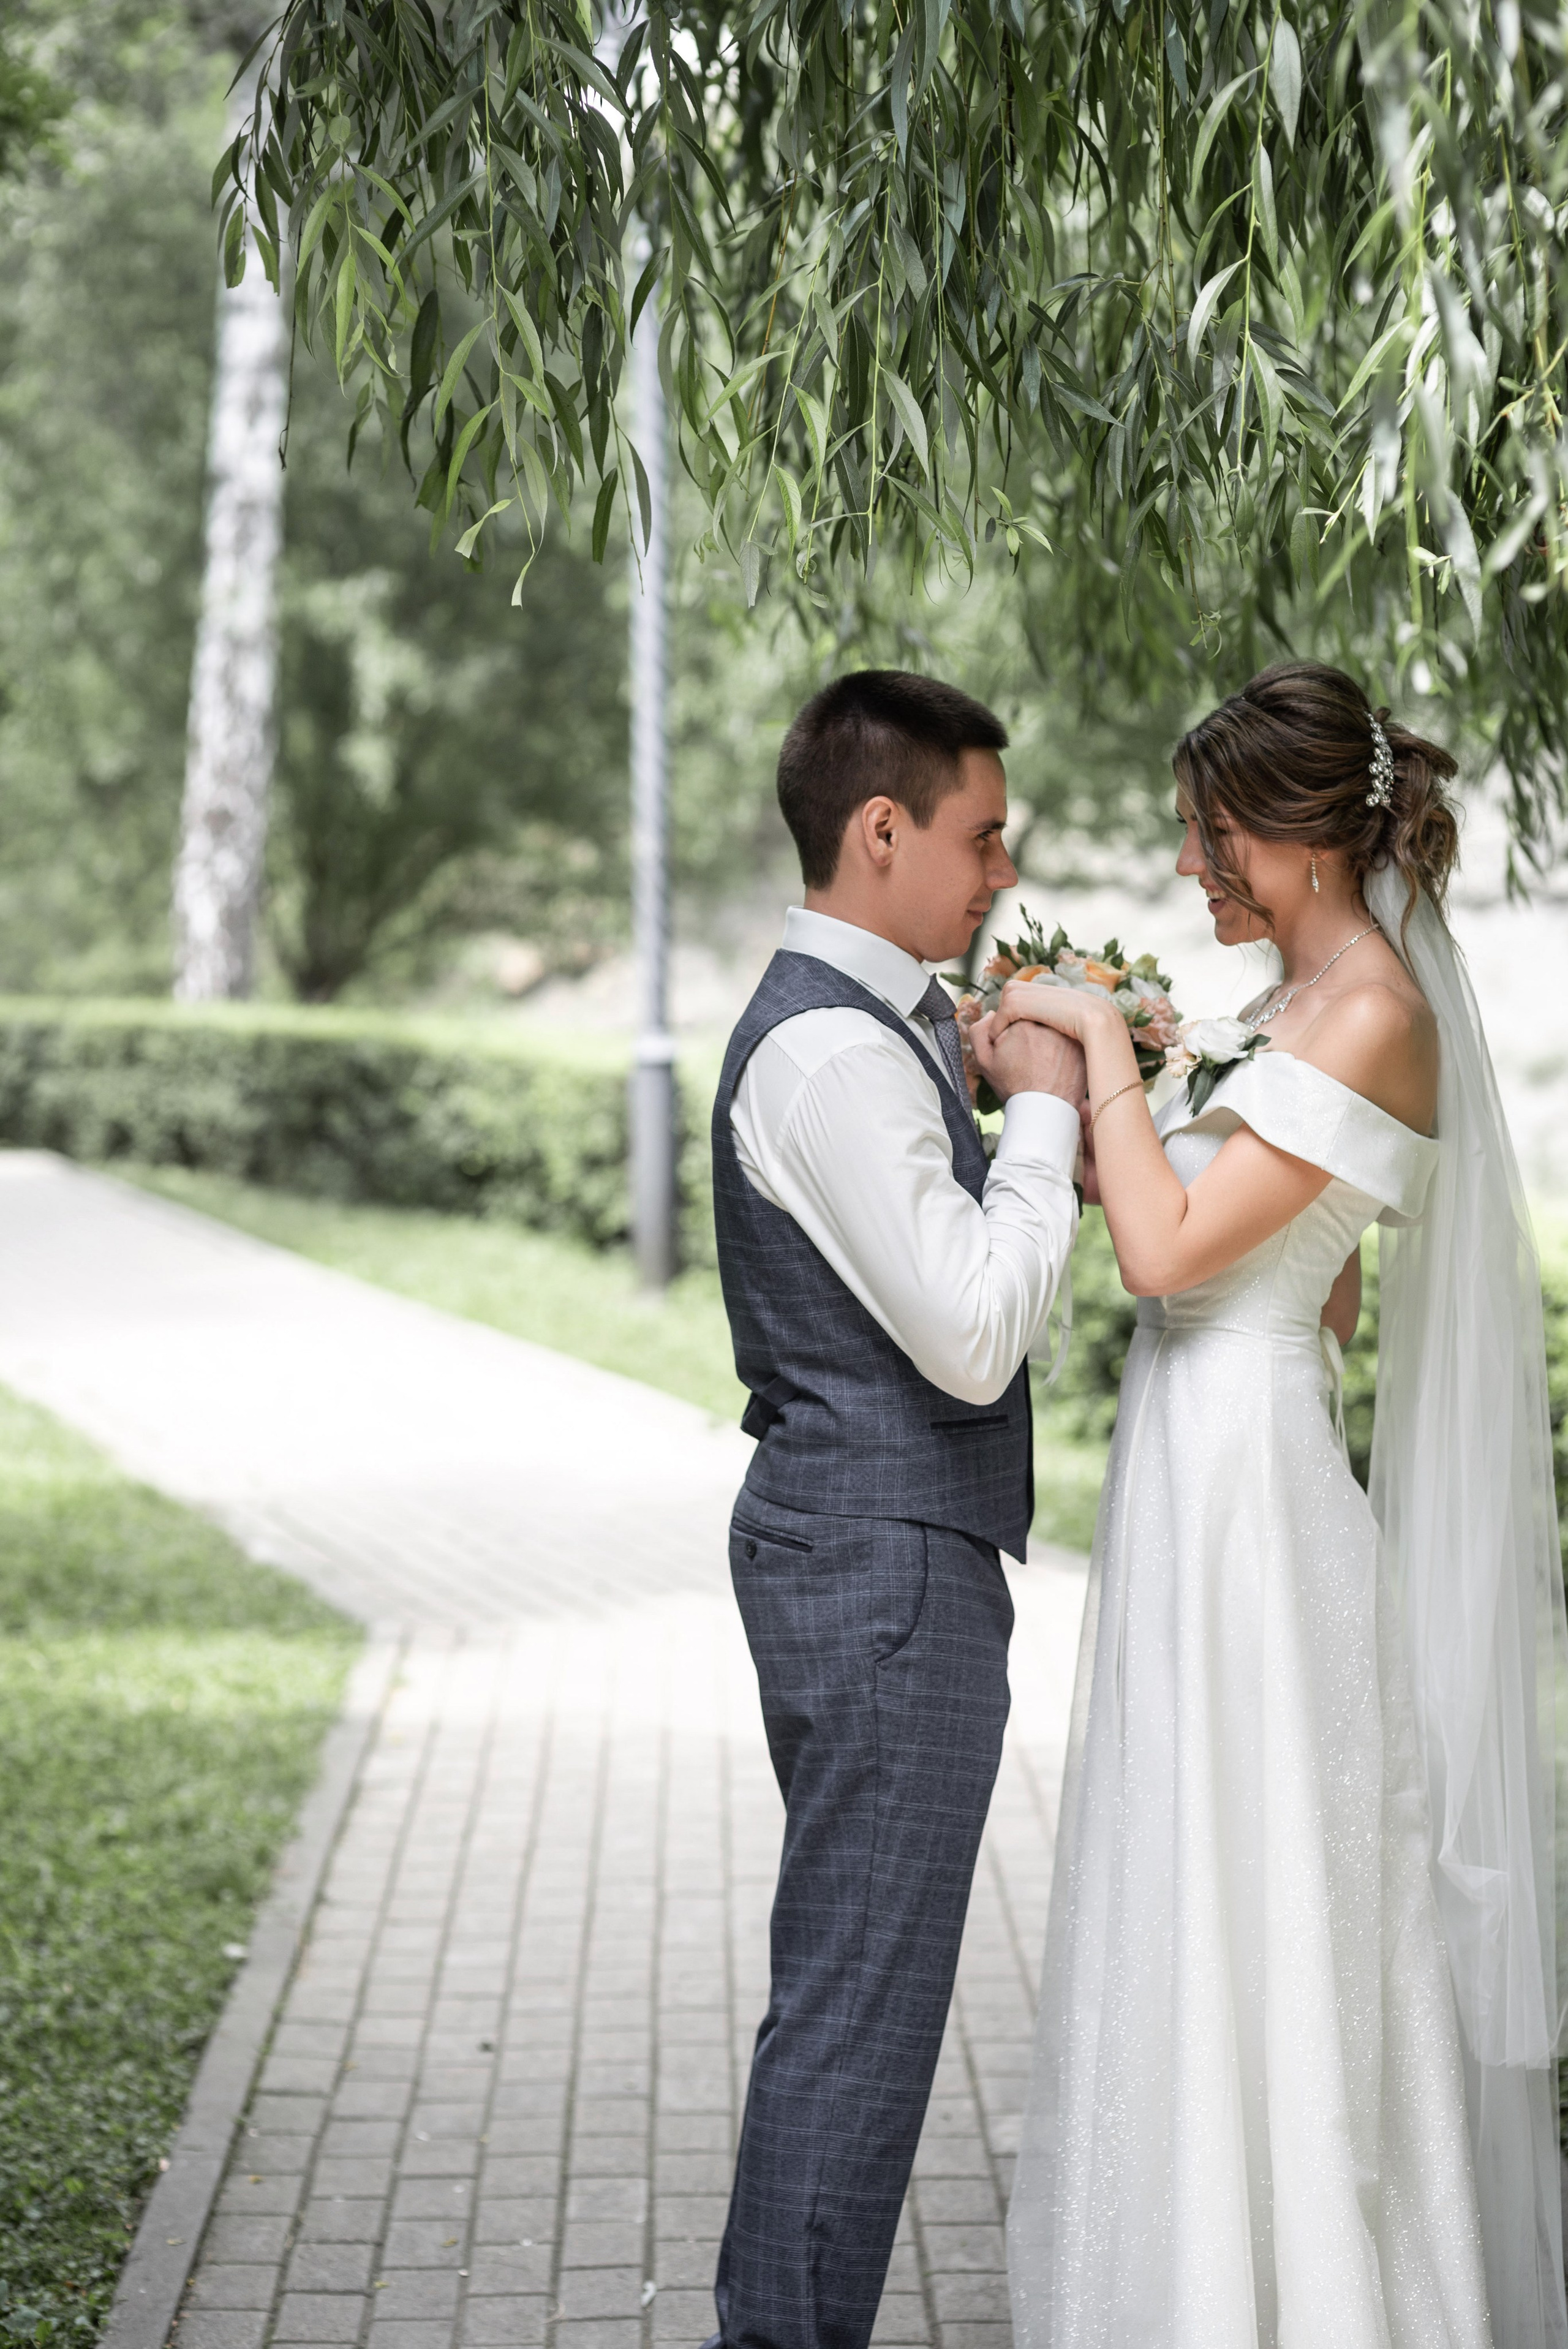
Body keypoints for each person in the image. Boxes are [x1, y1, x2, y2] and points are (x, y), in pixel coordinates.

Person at [991, 660, 1568, 2349]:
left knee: (1278, 1895)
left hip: (1252, 1499)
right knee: (1192, 1879)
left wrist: (1096, 1039)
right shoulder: (1289, 1011)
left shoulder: (1373, 1007)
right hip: (1209, 1463)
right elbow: (1324, 1298)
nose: (1190, 868)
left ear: (1300, 839)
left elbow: (1166, 1251)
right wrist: (1170, 1088)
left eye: (1208, 833)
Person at [706, 669, 1088, 2349]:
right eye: (981, 836)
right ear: (882, 830)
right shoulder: (827, 1053)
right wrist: (1060, 1109)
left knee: (858, 1997)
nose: (1001, 875)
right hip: (882, 1577)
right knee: (859, 2012)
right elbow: (976, 1322)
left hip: (880, 1560)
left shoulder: (876, 1032)